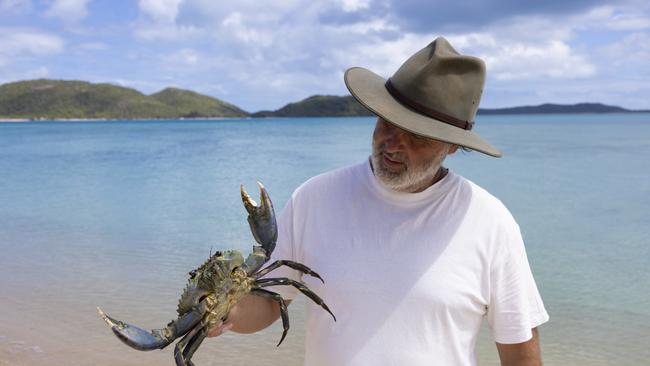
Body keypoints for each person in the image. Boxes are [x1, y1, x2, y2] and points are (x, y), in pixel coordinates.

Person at [208, 37, 549, 366]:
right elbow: (269, 304)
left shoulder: (489, 222)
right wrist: (226, 311)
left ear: (452, 145)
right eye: (387, 121)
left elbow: (520, 354)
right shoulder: (314, 198)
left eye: (416, 134)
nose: (393, 143)